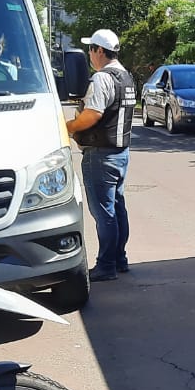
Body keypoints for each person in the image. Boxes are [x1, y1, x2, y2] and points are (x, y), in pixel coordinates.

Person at [66, 29, 135, 282]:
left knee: (104, 213)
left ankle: (106, 265)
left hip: (100, 155)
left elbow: (93, 114)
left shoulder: (102, 79)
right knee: (117, 209)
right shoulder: (126, 77)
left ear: (99, 51)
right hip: (120, 153)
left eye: (91, 50)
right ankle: (119, 259)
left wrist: (68, 128)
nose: (89, 55)